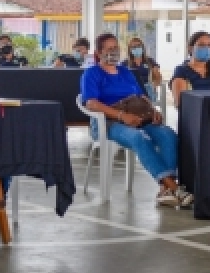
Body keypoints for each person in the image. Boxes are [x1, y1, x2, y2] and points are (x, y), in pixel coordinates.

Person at [81, 32, 192, 209]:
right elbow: (91, 103)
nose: (114, 52)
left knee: (168, 135)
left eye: (116, 48)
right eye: (109, 49)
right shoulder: (92, 73)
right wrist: (121, 116)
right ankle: (175, 188)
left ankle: (165, 189)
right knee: (138, 138)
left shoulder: (126, 72)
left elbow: (141, 96)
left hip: (139, 118)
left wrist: (153, 110)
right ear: (99, 52)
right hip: (108, 123)